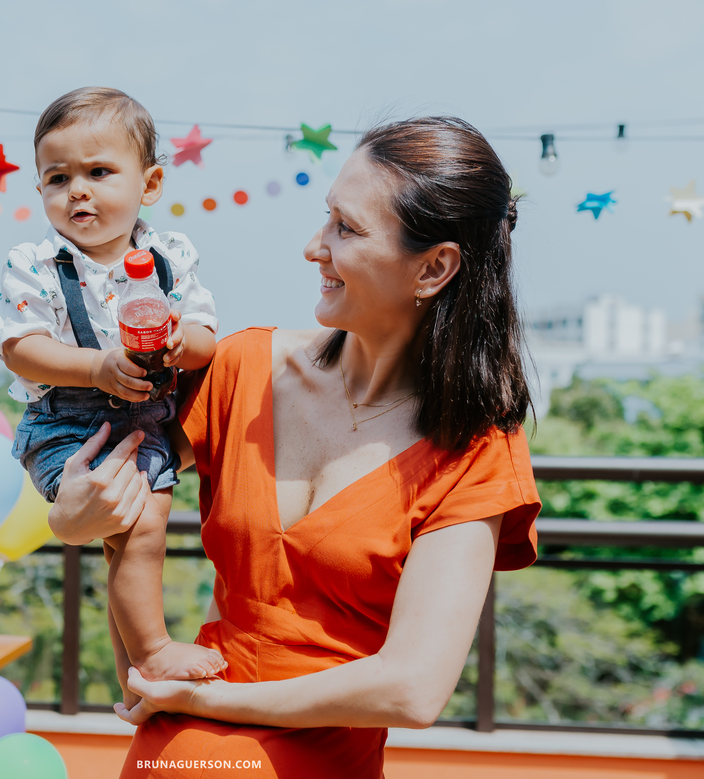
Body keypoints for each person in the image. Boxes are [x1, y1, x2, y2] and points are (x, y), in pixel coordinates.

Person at [48, 117, 543, 778]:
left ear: (434, 266)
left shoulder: (476, 448)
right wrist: (69, 518)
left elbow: (413, 688)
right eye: (325, 218)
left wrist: (210, 698)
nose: (314, 247)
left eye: (347, 228)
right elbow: (116, 501)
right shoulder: (239, 367)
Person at [0, 87, 224, 687]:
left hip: (147, 419)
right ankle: (153, 650)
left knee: (138, 539)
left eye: (99, 172)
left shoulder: (170, 254)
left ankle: (134, 668)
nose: (78, 191)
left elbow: (205, 334)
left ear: (149, 185)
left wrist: (180, 342)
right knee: (137, 527)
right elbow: (20, 345)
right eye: (57, 177)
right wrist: (94, 368)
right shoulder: (37, 260)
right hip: (67, 423)